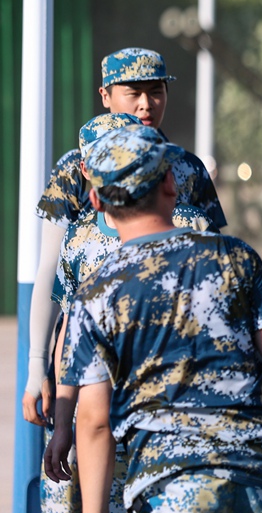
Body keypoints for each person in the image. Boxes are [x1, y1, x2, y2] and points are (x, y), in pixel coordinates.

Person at [57, 123, 262, 513]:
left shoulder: (95, 293)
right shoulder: (235, 257)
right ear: (170, 183)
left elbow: (94, 419)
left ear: (95, 200)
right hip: (256, 479)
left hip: (169, 493)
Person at [24, 47, 226, 428]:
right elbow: (52, 271)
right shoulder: (77, 169)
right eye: (133, 93)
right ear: (105, 96)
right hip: (87, 354)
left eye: (156, 91)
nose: (146, 104)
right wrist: (37, 366)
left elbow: (215, 273)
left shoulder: (187, 167)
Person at [39, 114, 216, 513]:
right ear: (87, 171)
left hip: (172, 425)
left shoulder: (189, 223)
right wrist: (61, 419)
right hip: (95, 422)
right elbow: (70, 331)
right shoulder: (79, 238)